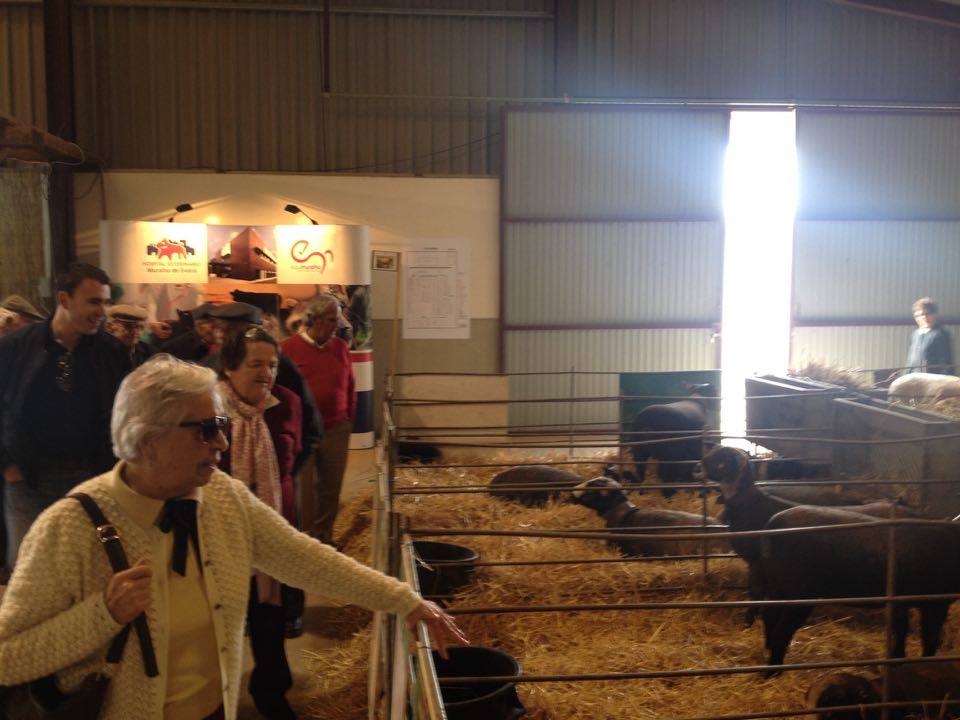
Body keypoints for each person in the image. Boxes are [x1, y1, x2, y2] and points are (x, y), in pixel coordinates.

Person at [0, 355, 467, 720]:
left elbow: (305, 558)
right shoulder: (70, 528)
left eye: (221, 426)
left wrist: (405, 601)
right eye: (206, 431)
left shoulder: (222, 498)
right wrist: (102, 615)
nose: (222, 444)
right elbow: (7, 657)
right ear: (148, 442)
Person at [0, 263, 131, 570]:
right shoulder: (15, 347)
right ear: (64, 299)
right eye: (94, 302)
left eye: (106, 302)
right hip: (28, 480)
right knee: (28, 569)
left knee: (85, 567)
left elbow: (124, 413)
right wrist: (7, 465)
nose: (102, 312)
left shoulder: (111, 352)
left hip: (91, 479)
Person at [216, 328, 311, 718]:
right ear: (229, 367)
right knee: (218, 615)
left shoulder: (287, 403)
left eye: (272, 364)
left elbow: (299, 451)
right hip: (219, 530)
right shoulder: (208, 407)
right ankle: (213, 696)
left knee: (269, 612)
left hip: (272, 525)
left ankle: (271, 690)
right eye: (255, 364)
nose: (266, 373)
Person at [204, 302, 322, 483]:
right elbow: (208, 434)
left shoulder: (283, 370)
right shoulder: (209, 370)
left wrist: (285, 474)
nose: (266, 372)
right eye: (223, 329)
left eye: (234, 330)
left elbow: (309, 425)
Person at [280, 295, 354, 545]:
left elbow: (350, 384)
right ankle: (306, 540)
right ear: (315, 319)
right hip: (303, 430)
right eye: (333, 320)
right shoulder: (288, 349)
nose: (337, 325)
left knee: (332, 486)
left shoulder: (340, 347)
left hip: (336, 428)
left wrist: (349, 417)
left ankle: (324, 536)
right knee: (305, 490)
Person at [906, 297, 954, 375]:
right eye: (919, 315)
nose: (924, 317)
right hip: (915, 378)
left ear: (934, 315)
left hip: (933, 379)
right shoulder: (915, 334)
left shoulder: (940, 334)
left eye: (927, 314)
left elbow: (946, 363)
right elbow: (911, 361)